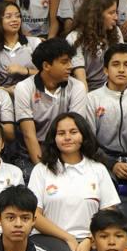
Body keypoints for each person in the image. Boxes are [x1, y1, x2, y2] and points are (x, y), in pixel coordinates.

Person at [80, 45, 127, 244]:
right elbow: (88, 141)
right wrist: (112, 164)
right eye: (115, 64)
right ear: (106, 70)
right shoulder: (92, 99)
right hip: (101, 160)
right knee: (107, 185)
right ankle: (108, 235)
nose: (121, 69)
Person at [27, 112, 120, 251]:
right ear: (54, 139)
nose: (67, 137)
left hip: (91, 238)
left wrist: (89, 240)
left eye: (73, 132)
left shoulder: (98, 169)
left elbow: (108, 213)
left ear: (83, 135)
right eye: (61, 133)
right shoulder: (41, 170)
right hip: (49, 237)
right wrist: (68, 238)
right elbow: (34, 215)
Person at [14, 38, 88, 166]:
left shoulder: (77, 87)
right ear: (46, 66)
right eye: (64, 62)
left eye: (70, 61)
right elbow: (29, 135)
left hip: (65, 146)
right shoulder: (24, 87)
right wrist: (42, 169)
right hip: (31, 151)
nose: (70, 66)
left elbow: (74, 130)